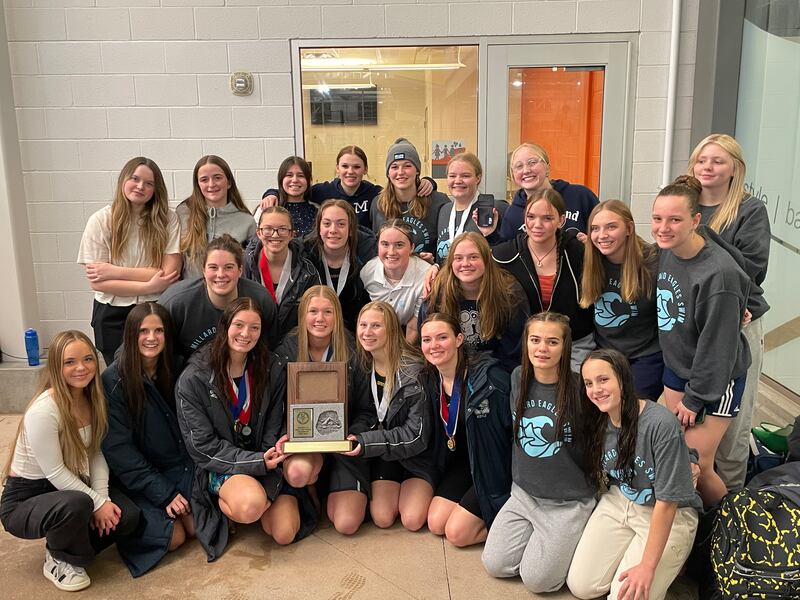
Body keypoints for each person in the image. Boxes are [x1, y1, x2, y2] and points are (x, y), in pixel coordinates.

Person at [176, 298, 315, 562]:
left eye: (254, 327)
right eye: (238, 325)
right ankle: (225, 505)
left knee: (285, 533)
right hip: (224, 465)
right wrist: (255, 462)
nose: (245, 334)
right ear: (225, 326)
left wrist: (272, 451)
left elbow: (275, 421)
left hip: (265, 461)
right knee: (251, 506)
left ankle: (263, 497)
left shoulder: (270, 367)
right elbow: (203, 448)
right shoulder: (193, 378)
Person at [1, 331, 139, 592]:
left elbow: (96, 453)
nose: (81, 368)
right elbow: (54, 472)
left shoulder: (93, 399)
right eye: (70, 362)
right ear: (56, 365)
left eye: (87, 359)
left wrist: (103, 498)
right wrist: (95, 503)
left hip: (68, 487)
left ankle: (72, 543)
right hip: (26, 499)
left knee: (127, 516)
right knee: (78, 503)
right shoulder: (45, 409)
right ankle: (59, 557)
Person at [567, 349, 701, 600]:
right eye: (588, 383)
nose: (596, 389)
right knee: (581, 586)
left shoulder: (659, 423)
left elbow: (668, 502)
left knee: (626, 596)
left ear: (623, 379)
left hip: (666, 511)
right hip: (620, 499)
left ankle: (670, 562)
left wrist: (648, 567)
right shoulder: (596, 417)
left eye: (603, 379)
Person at [652, 175, 751, 507]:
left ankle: (725, 528)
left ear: (696, 220)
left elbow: (718, 352)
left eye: (675, 219)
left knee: (697, 463)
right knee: (676, 454)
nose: (664, 227)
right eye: (657, 218)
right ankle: (691, 525)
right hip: (677, 367)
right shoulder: (667, 250)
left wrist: (695, 400)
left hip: (712, 379)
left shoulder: (718, 276)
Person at [482, 312, 597, 593]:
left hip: (567, 502)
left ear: (565, 346)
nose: (542, 349)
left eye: (552, 342)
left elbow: (622, 421)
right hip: (524, 494)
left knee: (538, 581)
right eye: (535, 340)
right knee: (494, 564)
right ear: (526, 343)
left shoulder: (581, 388)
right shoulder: (518, 377)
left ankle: (576, 536)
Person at [688, 134, 771, 492]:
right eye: (702, 160)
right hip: (692, 323)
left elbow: (751, 266)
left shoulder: (749, 210)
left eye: (717, 161)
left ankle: (732, 509)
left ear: (735, 168)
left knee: (733, 422)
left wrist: (731, 307)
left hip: (739, 321)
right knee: (696, 419)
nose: (708, 167)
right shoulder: (685, 204)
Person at [101, 302, 195, 577]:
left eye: (158, 330)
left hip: (178, 467)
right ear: (131, 334)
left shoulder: (176, 368)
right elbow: (119, 451)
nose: (151, 338)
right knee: (174, 537)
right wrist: (163, 492)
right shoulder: (114, 380)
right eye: (143, 331)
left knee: (199, 528)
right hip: (139, 479)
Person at [332, 301, 434, 534]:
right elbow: (365, 411)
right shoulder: (362, 364)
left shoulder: (414, 372)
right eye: (363, 325)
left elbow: (416, 436)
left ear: (391, 329)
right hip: (383, 452)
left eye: (376, 326)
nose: (367, 332)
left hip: (415, 456)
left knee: (412, 519)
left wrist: (368, 442)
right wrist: (357, 434)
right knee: (382, 517)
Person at [273, 286, 372, 517]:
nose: (320, 318)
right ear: (302, 315)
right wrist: (288, 432)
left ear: (337, 315)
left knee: (346, 523)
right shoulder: (286, 350)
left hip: (342, 441)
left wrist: (352, 436)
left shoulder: (352, 350)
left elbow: (366, 408)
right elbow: (275, 405)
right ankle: (310, 487)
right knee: (298, 473)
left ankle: (333, 486)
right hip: (304, 440)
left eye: (328, 312)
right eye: (313, 311)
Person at [77, 157, 181, 365]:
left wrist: (114, 271)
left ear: (156, 189)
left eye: (149, 183)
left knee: (157, 373)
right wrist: (150, 284)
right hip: (112, 313)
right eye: (135, 178)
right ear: (123, 179)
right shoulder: (101, 220)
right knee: (119, 377)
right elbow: (97, 282)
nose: (140, 186)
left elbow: (169, 274)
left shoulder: (168, 219)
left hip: (154, 308)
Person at [420, 313, 512, 548]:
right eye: (427, 340)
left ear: (459, 339)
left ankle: (512, 530)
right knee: (435, 522)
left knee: (457, 534)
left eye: (442, 337)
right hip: (463, 464)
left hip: (493, 467)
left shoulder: (490, 379)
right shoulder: (431, 379)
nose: (434, 346)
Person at [493, 188, 595, 370]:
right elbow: (467, 265)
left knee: (570, 394)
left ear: (561, 220)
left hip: (573, 345)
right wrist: (435, 267)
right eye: (531, 217)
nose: (537, 224)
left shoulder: (577, 252)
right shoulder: (505, 256)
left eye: (547, 218)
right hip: (523, 348)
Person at [580, 200, 663, 400]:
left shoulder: (653, 262)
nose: (602, 235)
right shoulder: (590, 261)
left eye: (611, 227)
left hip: (645, 355)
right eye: (595, 229)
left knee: (632, 412)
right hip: (606, 354)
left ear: (629, 228)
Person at [159, 234, 278, 362]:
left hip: (246, 372)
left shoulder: (261, 300)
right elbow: (163, 357)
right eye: (213, 267)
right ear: (203, 270)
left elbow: (269, 349)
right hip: (190, 376)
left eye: (228, 267)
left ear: (240, 270)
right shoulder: (176, 303)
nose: (220, 274)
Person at [421, 232, 528, 373]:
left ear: (486, 259)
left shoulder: (509, 293)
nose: (466, 264)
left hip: (495, 372)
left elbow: (514, 352)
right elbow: (427, 341)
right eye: (458, 258)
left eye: (473, 257)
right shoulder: (437, 293)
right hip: (449, 367)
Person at [244, 206, 320, 343]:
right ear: (259, 233)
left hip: (293, 349)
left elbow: (313, 317)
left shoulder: (308, 272)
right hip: (251, 345)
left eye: (283, 229)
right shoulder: (244, 266)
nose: (275, 235)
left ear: (292, 234)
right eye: (267, 229)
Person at [498, 142, 598, 241]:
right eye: (519, 166)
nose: (526, 170)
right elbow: (505, 252)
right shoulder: (512, 215)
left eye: (532, 163)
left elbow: (605, 233)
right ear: (513, 175)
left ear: (547, 167)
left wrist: (592, 245)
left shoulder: (580, 196)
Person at [177, 155, 256, 279]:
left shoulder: (247, 221)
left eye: (217, 178)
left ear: (229, 182)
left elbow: (252, 267)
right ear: (197, 185)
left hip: (230, 294)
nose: (211, 184)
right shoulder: (183, 214)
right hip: (191, 295)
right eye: (204, 179)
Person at [371, 138, 449, 262]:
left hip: (428, 275)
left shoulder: (438, 202)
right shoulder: (378, 204)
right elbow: (376, 247)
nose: (400, 172)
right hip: (390, 276)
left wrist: (434, 263)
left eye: (407, 166)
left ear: (417, 170)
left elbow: (447, 246)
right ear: (388, 173)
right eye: (394, 167)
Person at [302, 200, 372, 331]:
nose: (333, 230)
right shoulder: (304, 255)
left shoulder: (368, 254)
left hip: (357, 336)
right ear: (319, 228)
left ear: (350, 229)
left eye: (341, 224)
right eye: (327, 224)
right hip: (316, 331)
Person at [360, 219, 429, 343]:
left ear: (412, 247)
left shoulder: (425, 277)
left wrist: (402, 359)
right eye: (385, 244)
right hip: (377, 335)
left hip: (411, 337)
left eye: (399, 245)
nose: (391, 252)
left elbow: (413, 326)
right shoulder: (367, 272)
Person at [435, 152, 506, 262]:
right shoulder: (444, 210)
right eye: (452, 176)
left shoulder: (495, 209)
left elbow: (507, 254)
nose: (458, 181)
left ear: (478, 178)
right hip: (448, 279)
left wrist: (490, 236)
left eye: (465, 176)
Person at [254, 156, 318, 238]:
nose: (295, 180)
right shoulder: (267, 207)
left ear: (308, 181)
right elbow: (255, 242)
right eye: (289, 175)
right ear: (281, 180)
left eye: (301, 176)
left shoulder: (317, 210)